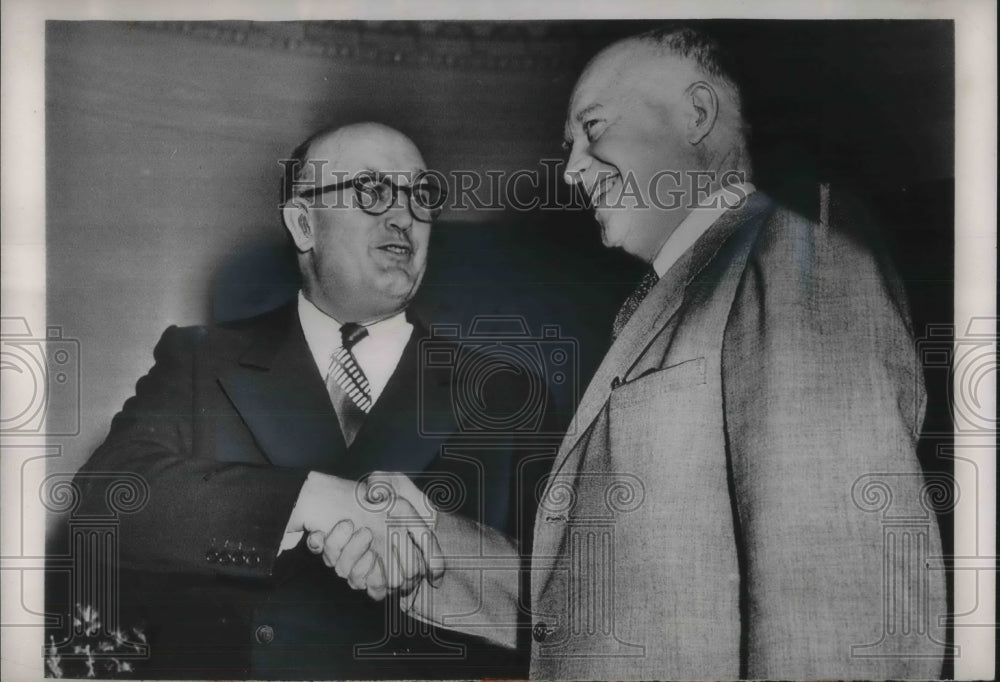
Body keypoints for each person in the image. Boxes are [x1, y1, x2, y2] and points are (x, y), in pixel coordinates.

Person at [327, 27, 948, 679]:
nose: (572, 169)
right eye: (569, 147)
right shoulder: (674, 297)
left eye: (594, 128)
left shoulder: (797, 250)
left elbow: (840, 606)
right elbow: (593, 605)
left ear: (697, 114)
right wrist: (424, 538)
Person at [66, 122, 542, 679]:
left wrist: (429, 540)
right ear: (303, 223)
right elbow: (102, 502)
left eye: (421, 193)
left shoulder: (504, 392)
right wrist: (311, 499)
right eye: (372, 190)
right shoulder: (202, 359)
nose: (404, 216)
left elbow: (567, 595)